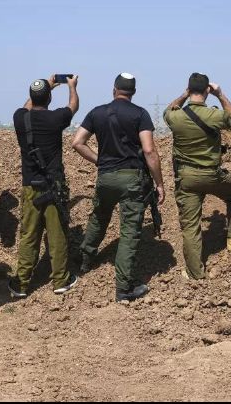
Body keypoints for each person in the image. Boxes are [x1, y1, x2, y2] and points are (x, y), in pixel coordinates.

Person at [71, 73, 165, 302]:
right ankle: (124, 288)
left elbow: (77, 142)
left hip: (105, 177)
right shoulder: (140, 114)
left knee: (99, 217)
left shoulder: (97, 112)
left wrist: (99, 160)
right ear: (133, 92)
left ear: (114, 89)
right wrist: (160, 183)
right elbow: (149, 150)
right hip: (132, 179)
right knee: (130, 231)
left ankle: (85, 260)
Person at [164, 73, 231, 280]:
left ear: (189, 90)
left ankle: (195, 273)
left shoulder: (175, 116)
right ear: (207, 91)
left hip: (186, 177)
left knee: (191, 226)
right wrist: (220, 95)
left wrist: (183, 95)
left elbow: (166, 111)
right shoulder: (213, 115)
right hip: (211, 174)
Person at [8, 75, 80, 298]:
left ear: (30, 97)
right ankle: (60, 280)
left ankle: (21, 284)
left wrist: (47, 85)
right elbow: (73, 106)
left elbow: (25, 107)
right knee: (57, 235)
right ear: (49, 98)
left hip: (30, 186)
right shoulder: (56, 118)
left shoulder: (20, 118)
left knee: (29, 234)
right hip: (53, 185)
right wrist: (71, 86)